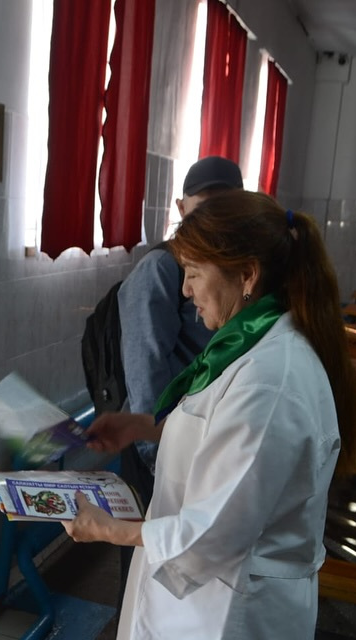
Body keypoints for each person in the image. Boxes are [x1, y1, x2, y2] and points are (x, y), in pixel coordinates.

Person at [64, 190, 356, 640]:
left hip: (232, 617)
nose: (185, 290)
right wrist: (142, 428)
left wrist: (108, 530)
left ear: (246, 275)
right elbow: (223, 439)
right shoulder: (249, 344)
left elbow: (218, 528)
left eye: (195, 273)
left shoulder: (270, 377)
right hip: (203, 603)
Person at [114, 156, 242, 603]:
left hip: (193, 443)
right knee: (151, 575)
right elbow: (145, 369)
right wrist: (161, 459)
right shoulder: (161, 270)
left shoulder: (232, 272)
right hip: (161, 446)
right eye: (203, 207)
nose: (212, 220)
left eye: (224, 207)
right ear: (181, 207)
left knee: (187, 571)